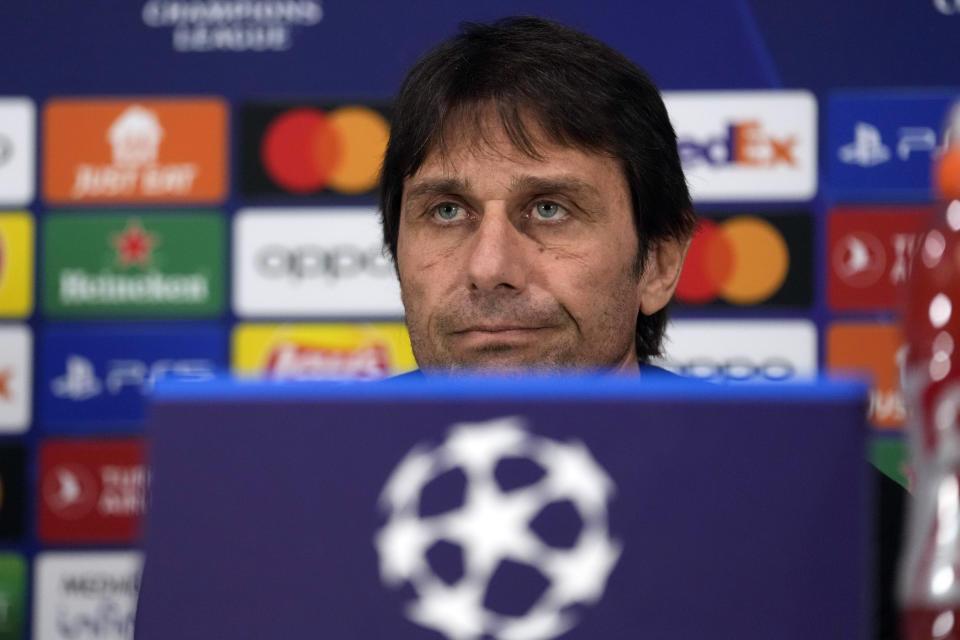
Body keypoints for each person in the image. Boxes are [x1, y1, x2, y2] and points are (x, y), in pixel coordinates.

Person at [378, 15, 903, 639]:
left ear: (658, 261)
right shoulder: (284, 486)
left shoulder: (837, 512)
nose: (490, 268)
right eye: (446, 210)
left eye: (549, 208)